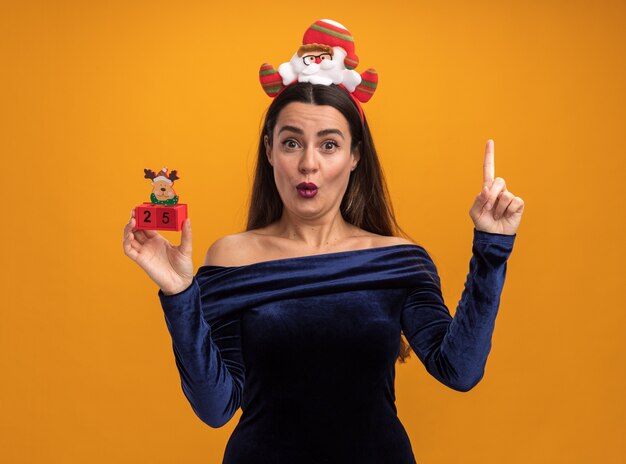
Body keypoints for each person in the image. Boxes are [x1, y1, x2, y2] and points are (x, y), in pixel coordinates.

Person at [122, 20, 524, 464]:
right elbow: (215, 408)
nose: (308, 164)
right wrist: (179, 293)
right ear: (270, 150)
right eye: (292, 142)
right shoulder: (231, 257)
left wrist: (492, 247)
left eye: (329, 145)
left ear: (355, 156)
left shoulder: (398, 261)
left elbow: (460, 371)